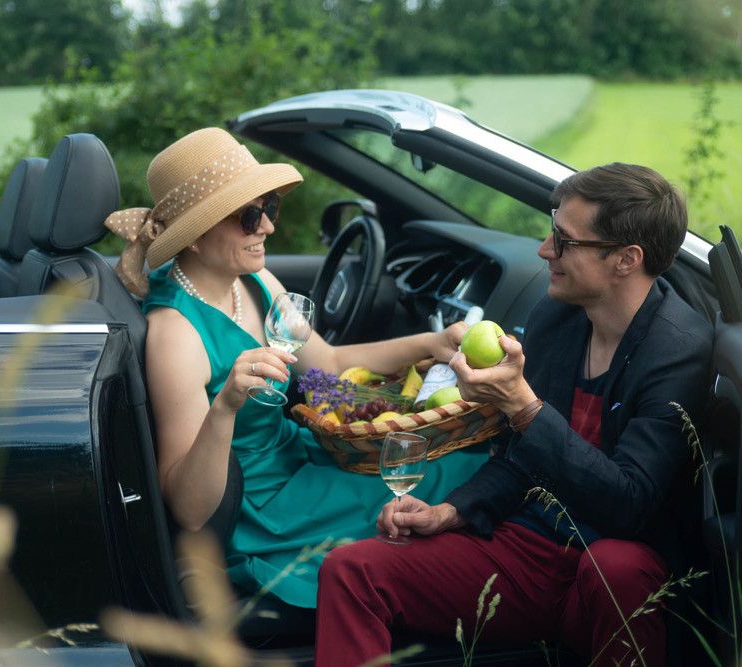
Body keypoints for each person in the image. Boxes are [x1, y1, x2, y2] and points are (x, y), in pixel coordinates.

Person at [315, 163, 714, 666]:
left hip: (612, 567)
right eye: (551, 232)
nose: (545, 250)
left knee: (619, 566)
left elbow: (629, 505)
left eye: (564, 241)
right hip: (527, 548)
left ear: (626, 259)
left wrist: (524, 406)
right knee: (351, 571)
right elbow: (518, 459)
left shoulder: (677, 350)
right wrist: (451, 511)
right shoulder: (556, 317)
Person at [103, 127, 488, 609]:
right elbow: (190, 510)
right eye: (248, 216)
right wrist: (225, 407)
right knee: (448, 481)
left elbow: (328, 362)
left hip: (301, 454)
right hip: (265, 507)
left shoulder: (253, 277)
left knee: (460, 463)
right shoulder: (175, 334)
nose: (266, 227)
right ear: (196, 236)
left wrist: (432, 342)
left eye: (268, 208)